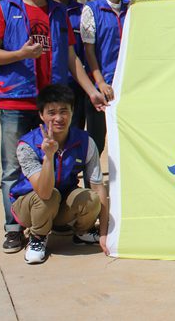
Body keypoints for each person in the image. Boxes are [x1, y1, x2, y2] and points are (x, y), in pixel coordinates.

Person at [0, 0, 107, 254]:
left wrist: (91, 89)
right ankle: (14, 228)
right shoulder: (3, 9)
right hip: (17, 100)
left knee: (61, 160)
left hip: (53, 103)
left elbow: (71, 57)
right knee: (12, 167)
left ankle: (60, 216)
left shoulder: (58, 12)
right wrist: (20, 54)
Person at [11, 84, 109, 264]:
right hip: (30, 206)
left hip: (61, 205)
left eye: (64, 111)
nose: (58, 118)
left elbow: (98, 187)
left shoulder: (85, 141)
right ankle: (37, 237)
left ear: (72, 112)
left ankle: (83, 232)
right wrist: (48, 157)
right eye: (51, 112)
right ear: (41, 115)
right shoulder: (27, 145)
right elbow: (44, 192)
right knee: (49, 196)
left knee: (91, 198)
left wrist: (104, 233)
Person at [81, 0, 130, 156]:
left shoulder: (131, 9)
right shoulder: (91, 9)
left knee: (126, 138)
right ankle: (91, 176)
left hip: (126, 84)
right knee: (97, 141)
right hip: (102, 84)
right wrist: (100, 82)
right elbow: (89, 50)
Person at [49, 0, 86, 130]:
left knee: (74, 131)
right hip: (50, 84)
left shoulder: (83, 12)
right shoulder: (43, 11)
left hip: (77, 85)